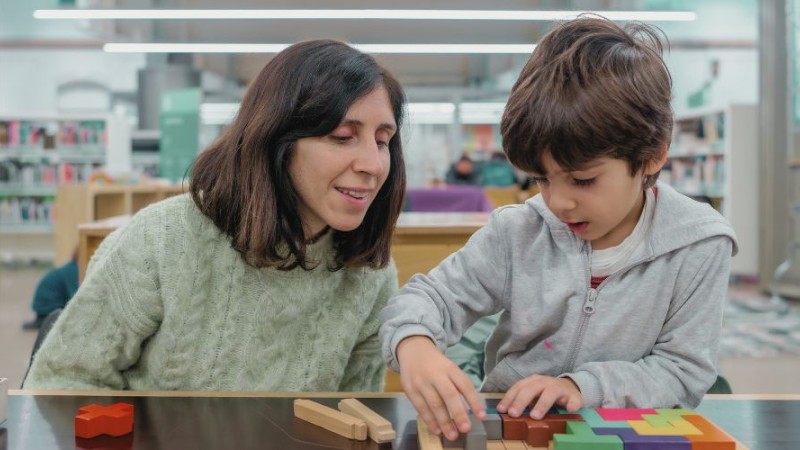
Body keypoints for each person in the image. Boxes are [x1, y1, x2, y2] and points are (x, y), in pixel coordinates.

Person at [380, 16, 737, 441]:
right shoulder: (518, 232)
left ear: (652, 156)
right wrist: (415, 344)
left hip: (626, 432)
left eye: (583, 180)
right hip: (510, 428)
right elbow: (428, 298)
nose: (558, 202)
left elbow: (683, 371)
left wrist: (581, 387)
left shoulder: (699, 244)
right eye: (541, 179)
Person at [25, 40, 407, 391]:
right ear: (276, 139)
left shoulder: (370, 276)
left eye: (382, 141)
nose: (373, 164)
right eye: (342, 137)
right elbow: (60, 384)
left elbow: (355, 416)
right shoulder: (162, 241)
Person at [22, 252, 79, 330]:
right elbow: (75, 297)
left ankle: (41, 322)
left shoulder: (70, 267)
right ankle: (43, 322)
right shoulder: (74, 269)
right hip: (49, 310)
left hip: (43, 310)